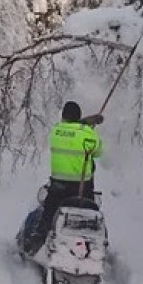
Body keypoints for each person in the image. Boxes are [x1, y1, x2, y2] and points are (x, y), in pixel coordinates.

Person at [18, 101, 104, 256]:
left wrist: (84, 124)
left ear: (63, 116)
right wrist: (87, 127)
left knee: (48, 216)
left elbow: (71, 131)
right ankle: (94, 246)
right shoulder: (88, 134)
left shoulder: (56, 131)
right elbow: (98, 152)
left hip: (58, 188)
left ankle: (35, 244)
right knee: (91, 217)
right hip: (82, 189)